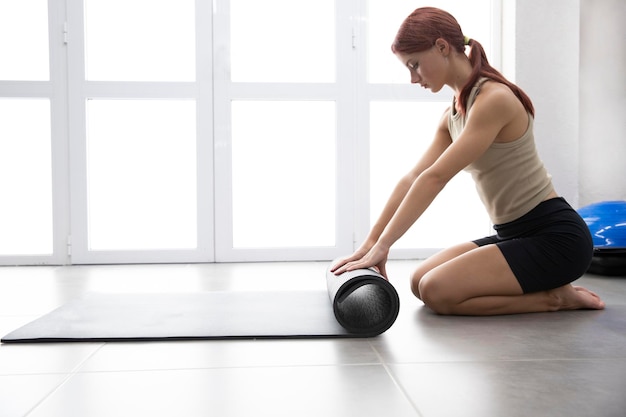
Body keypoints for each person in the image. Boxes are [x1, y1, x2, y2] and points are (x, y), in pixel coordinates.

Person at [331, 7, 605, 315]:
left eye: (415, 65)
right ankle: (549, 289)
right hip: (512, 233)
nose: (412, 78)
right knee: (419, 280)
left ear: (442, 47)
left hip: (555, 238)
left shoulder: (493, 100)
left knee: (437, 291)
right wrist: (369, 245)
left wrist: (385, 246)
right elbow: (412, 178)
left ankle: (556, 298)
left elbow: (435, 178)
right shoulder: (454, 114)